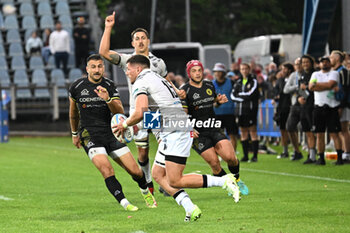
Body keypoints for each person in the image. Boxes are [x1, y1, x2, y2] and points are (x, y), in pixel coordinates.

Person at [114, 55, 241, 221]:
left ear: (138, 69)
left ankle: (224, 181)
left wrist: (125, 125)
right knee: (158, 175)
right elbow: (157, 110)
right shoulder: (158, 78)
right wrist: (138, 124)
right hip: (174, 128)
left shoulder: (141, 81)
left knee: (175, 179)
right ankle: (190, 208)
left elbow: (140, 112)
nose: (127, 73)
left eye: (128, 69)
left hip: (175, 131)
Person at [68, 54, 157, 212]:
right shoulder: (77, 87)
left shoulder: (109, 85)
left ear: (103, 68)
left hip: (111, 133)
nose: (97, 70)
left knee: (136, 171)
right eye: (93, 67)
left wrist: (108, 99)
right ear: (87, 69)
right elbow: (73, 113)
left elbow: (120, 111)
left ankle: (145, 191)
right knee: (107, 169)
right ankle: (124, 202)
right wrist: (75, 133)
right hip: (90, 135)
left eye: (100, 66)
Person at [99, 11, 165, 194]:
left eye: (143, 38)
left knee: (165, 146)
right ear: (133, 43)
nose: (141, 41)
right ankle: (149, 182)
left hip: (157, 112)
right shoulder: (128, 60)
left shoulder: (158, 63)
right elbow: (103, 52)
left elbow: (166, 85)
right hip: (138, 113)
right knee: (142, 153)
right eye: (137, 39)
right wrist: (108, 27)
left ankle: (165, 180)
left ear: (148, 41)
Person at [181, 60, 248, 195]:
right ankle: (231, 186)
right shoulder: (185, 90)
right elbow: (183, 114)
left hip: (214, 128)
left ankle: (237, 179)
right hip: (198, 134)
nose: (198, 73)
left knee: (231, 157)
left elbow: (213, 102)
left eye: (199, 70)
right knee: (215, 165)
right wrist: (189, 129)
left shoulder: (209, 85)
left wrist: (219, 101)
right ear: (189, 73)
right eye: (194, 71)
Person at [308, 56, 343, 165]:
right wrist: (326, 86)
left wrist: (317, 85)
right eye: (322, 62)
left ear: (329, 63)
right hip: (319, 106)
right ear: (319, 64)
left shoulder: (334, 73)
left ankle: (339, 158)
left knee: (334, 133)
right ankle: (321, 158)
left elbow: (331, 84)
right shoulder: (315, 74)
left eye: (326, 62)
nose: (324, 64)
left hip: (331, 106)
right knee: (319, 134)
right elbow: (310, 87)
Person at [286, 55, 316, 163]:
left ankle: (315, 155)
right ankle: (310, 155)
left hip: (313, 106)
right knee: (307, 131)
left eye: (307, 62)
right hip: (303, 106)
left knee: (314, 132)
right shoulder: (302, 75)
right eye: (303, 62)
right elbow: (300, 90)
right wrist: (299, 98)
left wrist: (307, 87)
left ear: (311, 63)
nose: (305, 64)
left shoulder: (315, 74)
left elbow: (315, 89)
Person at [231, 63, 260, 162]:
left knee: (253, 132)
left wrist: (240, 96)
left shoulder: (253, 81)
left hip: (250, 111)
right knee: (243, 133)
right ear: (240, 70)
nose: (244, 71)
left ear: (249, 70)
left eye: (245, 69)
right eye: (242, 69)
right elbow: (232, 96)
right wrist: (242, 98)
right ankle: (245, 155)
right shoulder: (238, 82)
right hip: (240, 111)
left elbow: (250, 94)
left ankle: (255, 156)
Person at [211, 62, 238, 150]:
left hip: (229, 113)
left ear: (224, 73)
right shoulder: (211, 84)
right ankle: (221, 154)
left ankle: (233, 155)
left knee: (232, 135)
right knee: (217, 136)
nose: (217, 73)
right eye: (216, 71)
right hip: (216, 113)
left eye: (219, 71)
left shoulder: (231, 82)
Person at [330, 50, 350, 163]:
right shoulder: (335, 71)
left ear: (337, 58)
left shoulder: (343, 72)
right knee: (338, 130)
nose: (329, 59)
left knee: (344, 129)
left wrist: (341, 106)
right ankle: (343, 153)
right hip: (336, 104)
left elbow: (345, 89)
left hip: (343, 104)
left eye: (331, 57)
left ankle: (347, 154)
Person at [283, 58, 304, 159]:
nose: (298, 66)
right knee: (290, 127)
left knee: (308, 129)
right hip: (295, 104)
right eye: (296, 64)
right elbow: (286, 89)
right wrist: (296, 87)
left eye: (299, 64)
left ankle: (312, 152)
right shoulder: (293, 75)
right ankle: (297, 151)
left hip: (307, 104)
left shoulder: (309, 74)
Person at [273, 63, 294, 158]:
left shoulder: (294, 79)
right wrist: (276, 97)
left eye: (284, 69)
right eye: (282, 69)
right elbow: (276, 91)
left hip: (292, 106)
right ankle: (285, 151)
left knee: (292, 129)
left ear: (290, 70)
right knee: (283, 129)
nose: (283, 71)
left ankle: (295, 150)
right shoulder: (280, 80)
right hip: (282, 107)